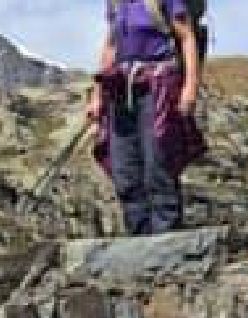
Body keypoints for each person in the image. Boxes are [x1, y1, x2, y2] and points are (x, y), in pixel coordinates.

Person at [88, 0, 207, 236]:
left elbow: (186, 37)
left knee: (158, 164)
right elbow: (111, 46)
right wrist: (97, 96)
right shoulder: (117, 4)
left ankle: (167, 237)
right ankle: (140, 239)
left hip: (158, 87)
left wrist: (190, 87)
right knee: (124, 169)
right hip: (121, 90)